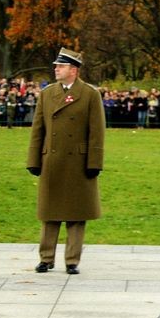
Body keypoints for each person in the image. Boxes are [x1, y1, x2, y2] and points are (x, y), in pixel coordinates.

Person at [27, 48, 105, 275]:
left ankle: (72, 260)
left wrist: (94, 162)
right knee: (49, 214)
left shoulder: (89, 94)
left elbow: (96, 132)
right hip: (52, 160)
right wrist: (34, 159)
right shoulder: (47, 93)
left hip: (78, 163)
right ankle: (46, 258)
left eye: (60, 66)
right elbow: (38, 129)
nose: (55, 69)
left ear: (73, 70)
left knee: (76, 215)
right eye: (56, 66)